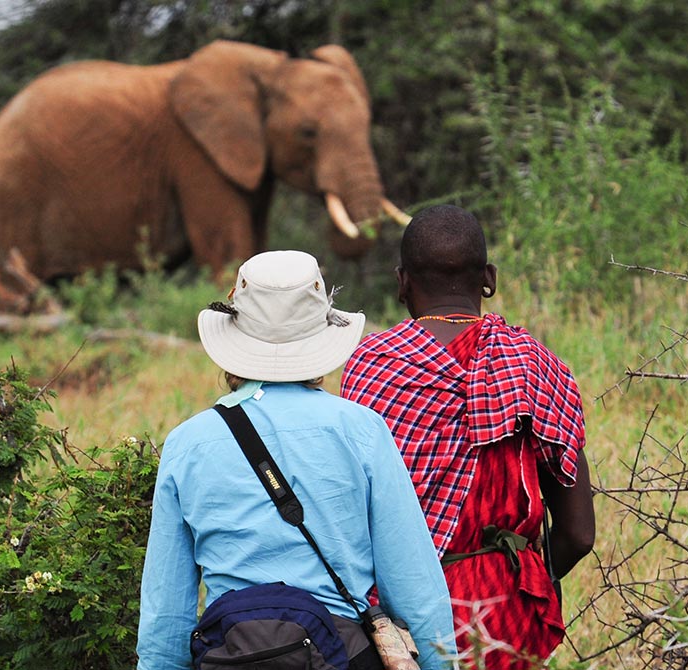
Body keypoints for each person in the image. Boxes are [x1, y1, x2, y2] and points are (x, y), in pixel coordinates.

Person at [137, 250, 455, 670]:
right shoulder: (362, 431)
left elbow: (166, 615)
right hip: (340, 656)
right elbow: (414, 589)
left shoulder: (187, 443)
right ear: (321, 340)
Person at [341, 206, 595, 670]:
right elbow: (578, 535)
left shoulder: (371, 364)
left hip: (398, 624)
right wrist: (531, 575)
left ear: (402, 282)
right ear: (490, 278)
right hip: (507, 616)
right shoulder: (534, 365)